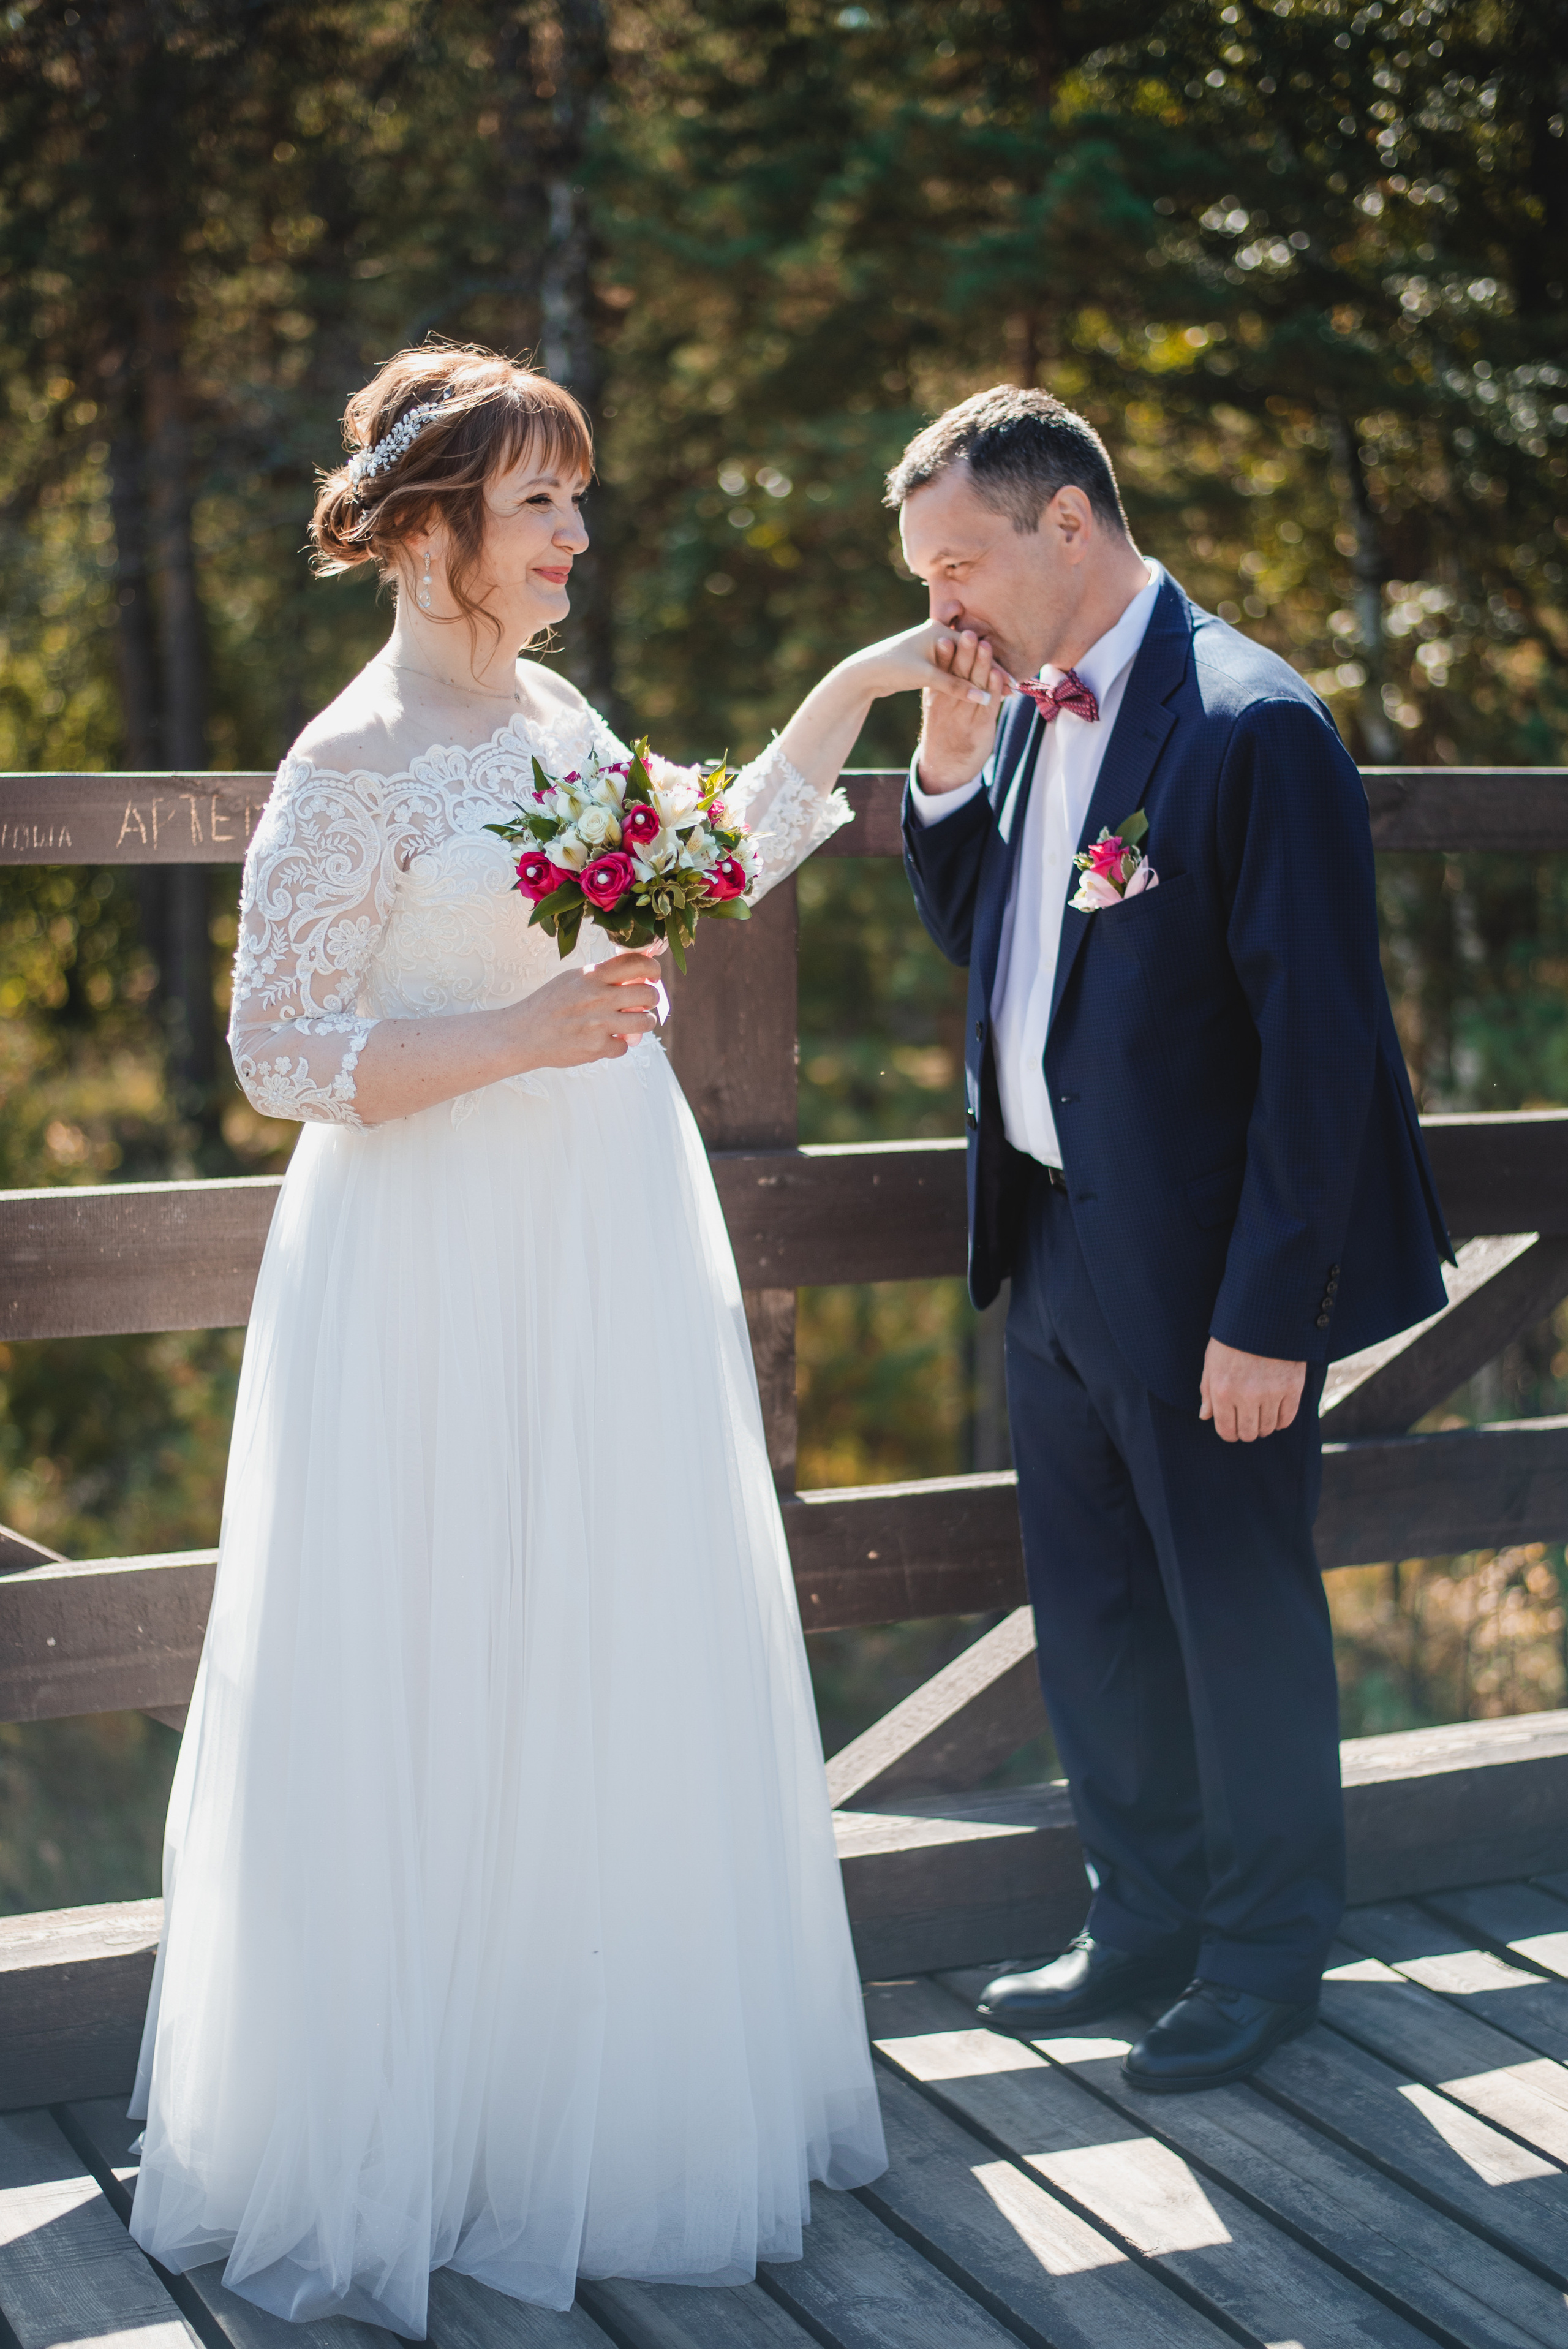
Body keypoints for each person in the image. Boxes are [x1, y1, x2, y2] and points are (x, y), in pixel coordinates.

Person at [126, 341, 992, 2330]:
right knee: (439, 1633)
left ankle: (591, 2111)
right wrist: (519, 1033)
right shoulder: (342, 771)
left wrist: (864, 689)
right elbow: (276, 1049)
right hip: (429, 1255)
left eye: (575, 503)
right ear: (431, 532)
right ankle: (421, 2133)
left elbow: (693, 865)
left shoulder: (566, 713)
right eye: (545, 507)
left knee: (599, 1629)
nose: (579, 537)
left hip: (604, 1231)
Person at [894, 385, 1452, 2094]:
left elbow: (1323, 1050)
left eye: (961, 561)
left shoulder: (1248, 722)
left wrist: (1272, 1311)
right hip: (1051, 1247)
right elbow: (986, 940)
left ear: (1070, 523)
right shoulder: (1025, 706)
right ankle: (1133, 1919)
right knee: (1099, 1616)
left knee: (1237, 1616)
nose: (945, 607)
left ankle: (1268, 1953)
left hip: (1212, 1273)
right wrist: (938, 759)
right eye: (928, 573)